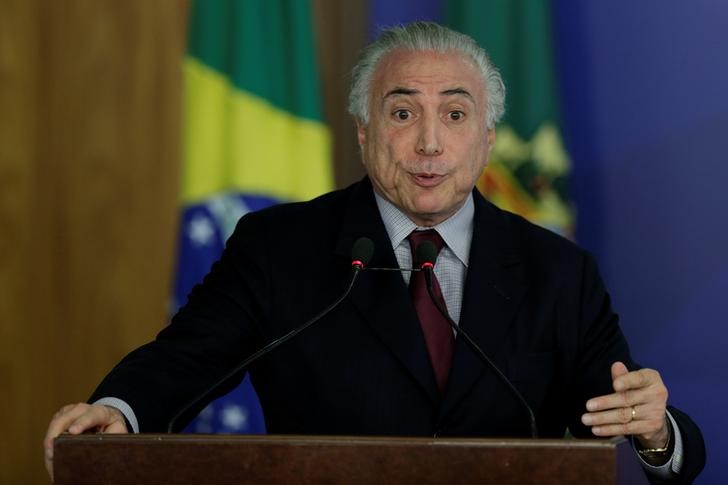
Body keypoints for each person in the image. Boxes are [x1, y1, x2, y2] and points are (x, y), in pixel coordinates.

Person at [44, 22, 705, 483]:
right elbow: (183, 360)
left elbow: (624, 404)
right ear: (363, 133)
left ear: (486, 139)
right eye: (401, 113)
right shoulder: (279, 248)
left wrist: (655, 432)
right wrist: (119, 409)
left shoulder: (557, 270)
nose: (428, 143)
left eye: (454, 114)